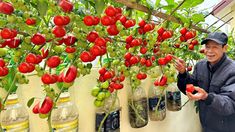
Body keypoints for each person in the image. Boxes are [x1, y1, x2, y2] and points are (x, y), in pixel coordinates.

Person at [174, 32, 235, 132]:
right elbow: (192, 89)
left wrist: (207, 97)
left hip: (226, 126)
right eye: (207, 47)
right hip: (206, 123)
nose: (209, 51)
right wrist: (183, 73)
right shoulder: (200, 65)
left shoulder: (232, 70)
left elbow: (230, 104)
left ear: (225, 48)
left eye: (215, 47)